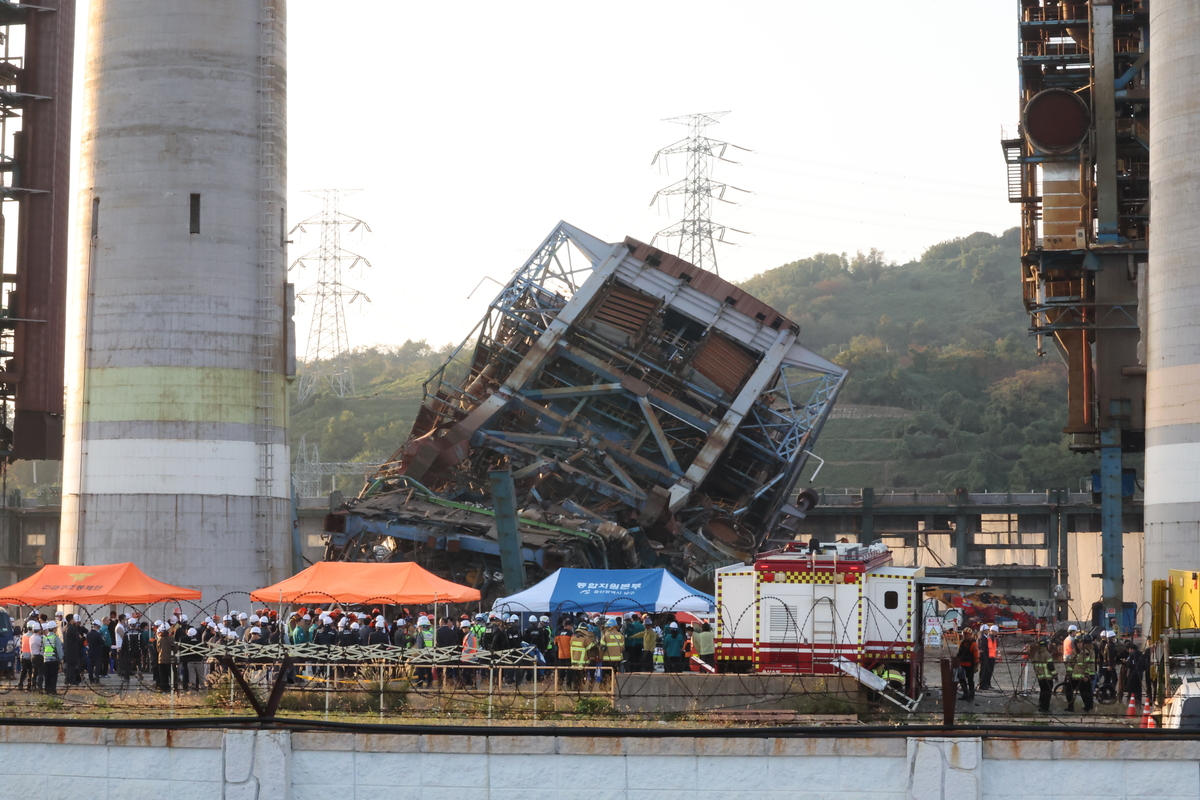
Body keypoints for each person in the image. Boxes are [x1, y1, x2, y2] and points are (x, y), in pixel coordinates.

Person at [1065, 633, 1096, 712]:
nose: (1079, 645)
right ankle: (1070, 706)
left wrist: (1086, 675)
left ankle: (1088, 708)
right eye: (1078, 643)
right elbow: (1070, 663)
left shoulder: (1087, 652)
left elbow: (1090, 665)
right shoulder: (1074, 652)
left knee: (1085, 693)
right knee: (1068, 690)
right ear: (1075, 644)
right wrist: (1069, 673)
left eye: (1081, 643)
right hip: (1074, 677)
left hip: (1083, 677)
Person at [1031, 638, 1056, 713]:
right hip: (1047, 678)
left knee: (1042, 693)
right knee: (1047, 694)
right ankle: (1045, 709)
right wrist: (1055, 675)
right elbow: (1051, 666)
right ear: (1046, 645)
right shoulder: (1047, 654)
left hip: (1040, 677)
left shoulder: (1036, 654)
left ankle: (1040, 707)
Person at [955, 627, 978, 702]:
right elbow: (959, 654)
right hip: (962, 665)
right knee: (961, 680)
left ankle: (971, 695)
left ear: (970, 635)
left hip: (970, 665)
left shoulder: (973, 644)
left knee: (970, 681)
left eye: (967, 635)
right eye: (964, 634)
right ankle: (965, 694)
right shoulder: (962, 643)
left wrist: (976, 666)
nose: (965, 636)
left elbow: (976, 656)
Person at [41, 620, 63, 695]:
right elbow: (59, 649)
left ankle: (46, 689)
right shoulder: (55, 638)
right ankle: (52, 690)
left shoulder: (44, 638)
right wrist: (61, 658)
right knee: (54, 676)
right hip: (53, 659)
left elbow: (43, 649)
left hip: (45, 660)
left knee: (47, 675)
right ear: (54, 629)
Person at [978, 624, 998, 691]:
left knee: (988, 671)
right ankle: (982, 684)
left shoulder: (987, 638)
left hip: (990, 656)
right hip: (985, 657)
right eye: (987, 630)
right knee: (983, 671)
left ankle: (986, 684)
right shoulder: (983, 638)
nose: (988, 631)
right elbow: (983, 648)